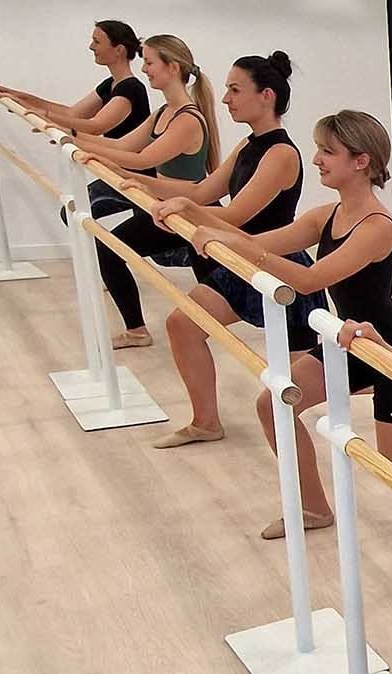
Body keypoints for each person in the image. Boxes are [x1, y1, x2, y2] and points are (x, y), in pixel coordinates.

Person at [183, 111, 392, 538]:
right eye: (319, 150)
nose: (317, 159)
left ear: (361, 162)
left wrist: (242, 248)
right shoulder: (327, 215)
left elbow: (309, 279)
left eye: (328, 152)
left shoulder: (376, 226)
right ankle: (314, 509)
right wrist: (194, 212)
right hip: (353, 341)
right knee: (273, 404)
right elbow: (257, 243)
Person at [114, 52, 327, 450]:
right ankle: (205, 421)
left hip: (276, 267)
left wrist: (188, 210)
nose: (226, 98)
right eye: (227, 89)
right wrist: (131, 179)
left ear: (266, 96)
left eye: (234, 89)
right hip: (240, 262)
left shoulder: (281, 153)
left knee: (315, 374)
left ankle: (386, 385)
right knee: (183, 324)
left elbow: (233, 216)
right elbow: (201, 191)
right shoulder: (249, 145)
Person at [65, 34, 220, 349]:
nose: (145, 68)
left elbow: (142, 159)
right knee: (111, 250)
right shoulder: (164, 113)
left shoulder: (188, 119)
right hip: (167, 208)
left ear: (172, 68)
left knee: (221, 284)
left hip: (189, 213)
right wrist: (70, 136)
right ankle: (137, 329)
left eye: (150, 62)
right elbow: (121, 145)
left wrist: (85, 146)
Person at [0, 21, 151, 146]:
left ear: (119, 50)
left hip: (131, 176)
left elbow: (95, 127)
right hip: (115, 170)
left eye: (97, 42)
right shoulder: (111, 84)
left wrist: (43, 115)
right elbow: (71, 114)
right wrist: (20, 98)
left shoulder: (130, 88)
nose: (91, 47)